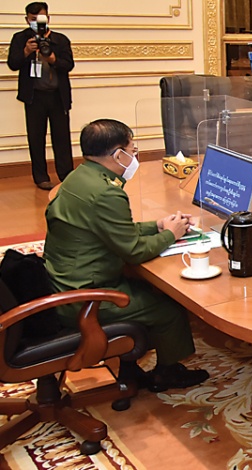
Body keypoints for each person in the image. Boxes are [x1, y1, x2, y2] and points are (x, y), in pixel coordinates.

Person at [44, 119, 210, 392]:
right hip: (85, 295)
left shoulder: (79, 177)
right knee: (168, 308)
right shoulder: (106, 193)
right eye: (133, 149)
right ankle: (167, 373)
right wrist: (172, 235)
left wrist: (158, 226)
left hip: (63, 279)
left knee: (149, 287)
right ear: (117, 153)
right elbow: (134, 252)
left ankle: (133, 363)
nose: (135, 154)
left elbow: (110, 229)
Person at [7, 2, 74, 190]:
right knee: (36, 138)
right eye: (33, 19)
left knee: (62, 137)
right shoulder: (20, 38)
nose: (37, 22)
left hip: (57, 96)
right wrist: (27, 51)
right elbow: (13, 64)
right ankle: (41, 177)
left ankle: (66, 175)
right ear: (27, 19)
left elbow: (68, 65)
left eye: (41, 18)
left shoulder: (60, 40)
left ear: (49, 18)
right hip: (34, 97)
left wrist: (52, 58)